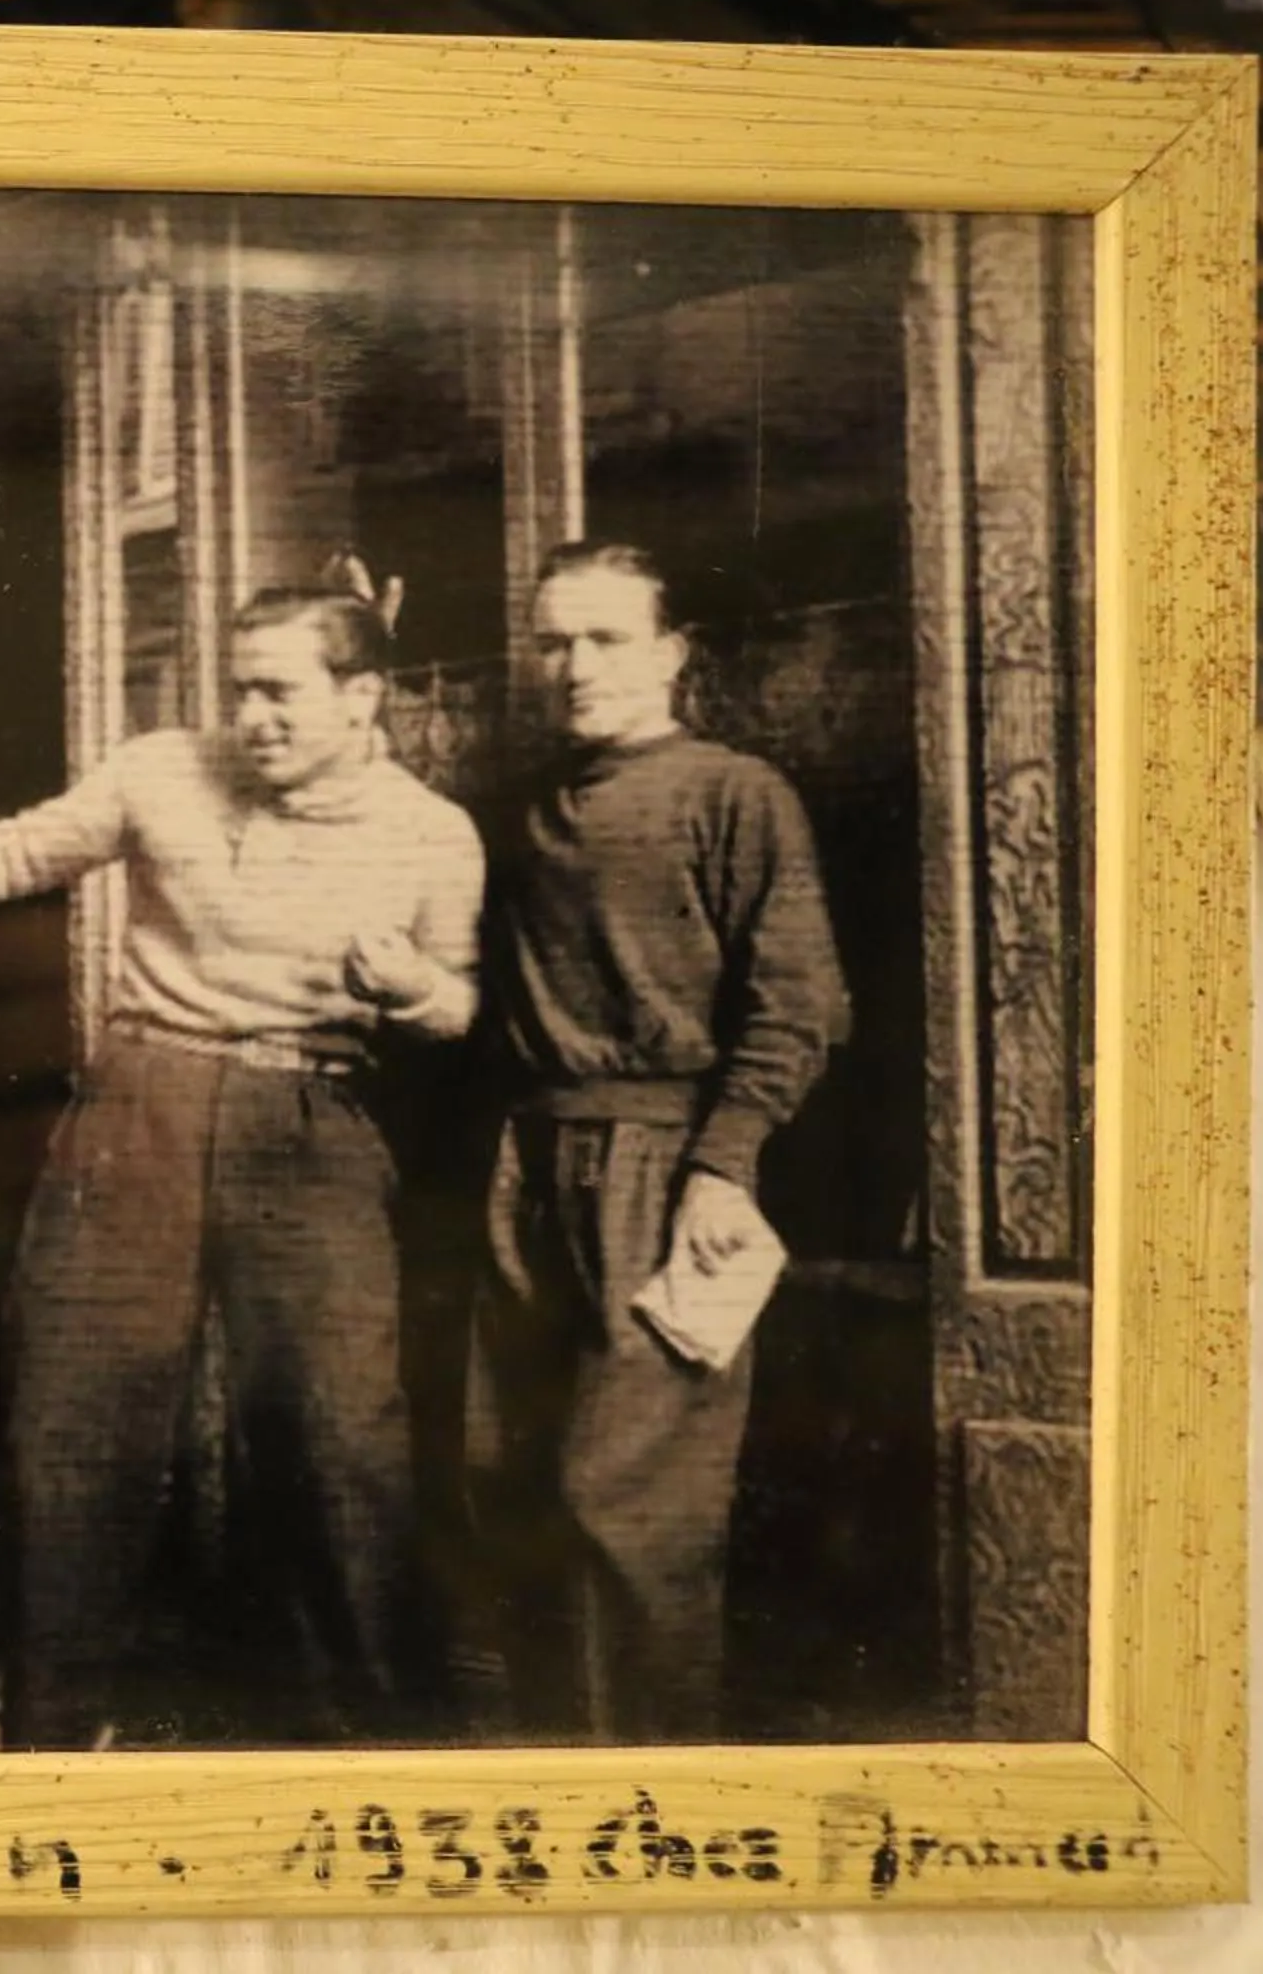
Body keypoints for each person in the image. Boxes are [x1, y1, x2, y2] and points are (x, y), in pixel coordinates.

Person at [0, 570, 487, 1749]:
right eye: (239, 688)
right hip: (141, 1105)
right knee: (76, 1428)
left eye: (279, 692)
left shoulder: (433, 834)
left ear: (362, 695)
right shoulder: (163, 769)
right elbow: (9, 856)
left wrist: (413, 989)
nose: (250, 716)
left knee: (340, 1447)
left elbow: (458, 1004)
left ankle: (382, 1762)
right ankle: (51, 1751)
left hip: (314, 1124)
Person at [469, 538, 851, 1745]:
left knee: (625, 1502)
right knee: (510, 1486)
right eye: (553, 641)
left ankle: (655, 1797)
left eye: (606, 639)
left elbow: (802, 1005)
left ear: (673, 653)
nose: (574, 666)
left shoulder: (735, 793)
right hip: (524, 1167)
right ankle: (557, 1789)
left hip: (665, 1167)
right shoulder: (527, 802)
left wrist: (721, 1164)